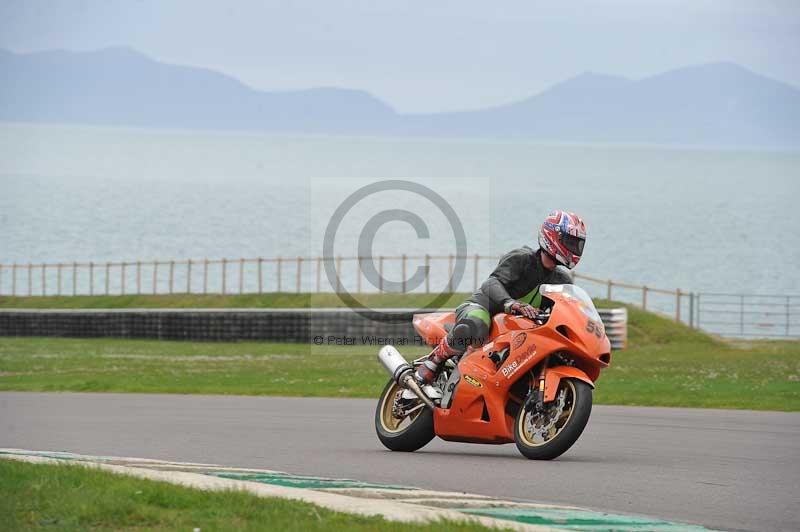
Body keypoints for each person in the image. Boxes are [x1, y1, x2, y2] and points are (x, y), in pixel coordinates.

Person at [415, 210, 587, 384]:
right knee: (477, 323)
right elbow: (491, 283)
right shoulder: (522, 258)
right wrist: (510, 303)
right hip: (482, 309)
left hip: (514, 329)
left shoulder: (562, 281)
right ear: (552, 236)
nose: (574, 248)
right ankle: (434, 360)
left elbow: (569, 309)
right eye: (570, 242)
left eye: (577, 244)